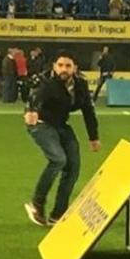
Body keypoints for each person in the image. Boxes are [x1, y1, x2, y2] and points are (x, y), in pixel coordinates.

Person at [24, 50, 101, 226]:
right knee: (58, 159)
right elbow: (35, 96)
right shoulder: (45, 80)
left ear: (75, 68)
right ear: (54, 67)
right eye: (60, 65)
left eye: (67, 65)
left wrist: (93, 137)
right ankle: (37, 204)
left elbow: (88, 110)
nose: (63, 69)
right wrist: (31, 111)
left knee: (73, 168)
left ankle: (58, 214)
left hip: (61, 125)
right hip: (41, 123)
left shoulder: (80, 84)